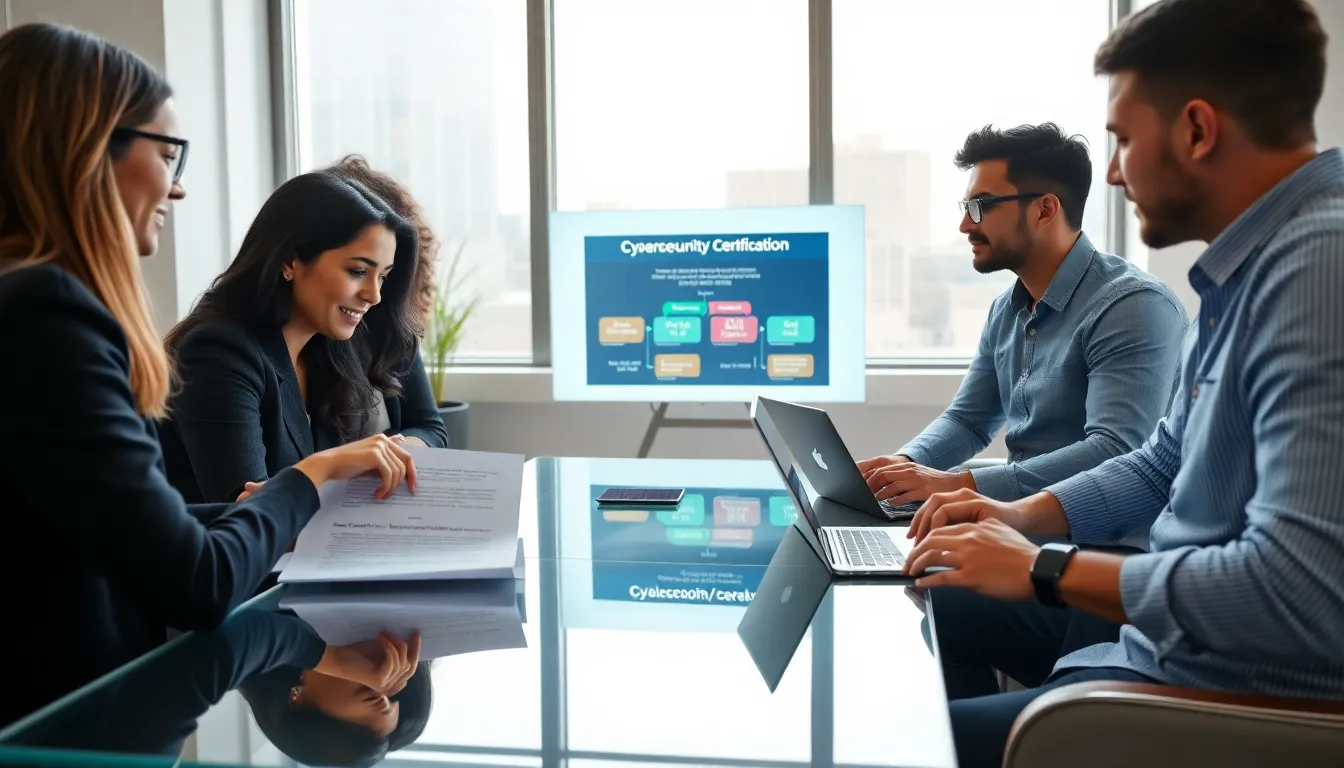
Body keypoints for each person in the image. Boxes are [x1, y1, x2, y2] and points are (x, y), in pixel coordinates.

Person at [902, 1, 1344, 766]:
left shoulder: (1317, 269)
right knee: (932, 621)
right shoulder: (1249, 271)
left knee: (894, 745)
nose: (1110, 172)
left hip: (1229, 691)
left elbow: (1296, 593)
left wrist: (1044, 564)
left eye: (1124, 141)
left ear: (1197, 131)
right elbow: (1162, 460)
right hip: (1164, 651)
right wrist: (1015, 513)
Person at [0, 23, 416, 728]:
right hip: (68, 725)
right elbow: (198, 584)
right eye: (169, 154)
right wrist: (309, 482)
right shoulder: (47, 313)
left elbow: (88, 528)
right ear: (90, 149)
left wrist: (269, 510)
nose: (179, 187)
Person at [858, 123, 1187, 508]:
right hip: (1016, 531)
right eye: (966, 208)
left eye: (980, 206)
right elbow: (969, 421)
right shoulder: (1005, 310)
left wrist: (958, 486)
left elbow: (1113, 452)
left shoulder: (1133, 306)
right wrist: (902, 467)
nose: (965, 225)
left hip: (1104, 548)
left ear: (1045, 210)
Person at [160, 170, 448, 505]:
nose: (374, 295)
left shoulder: (331, 344)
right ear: (289, 261)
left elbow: (281, 497)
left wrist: (380, 457)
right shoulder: (218, 352)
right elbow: (249, 513)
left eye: (382, 276)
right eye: (357, 272)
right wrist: (341, 466)